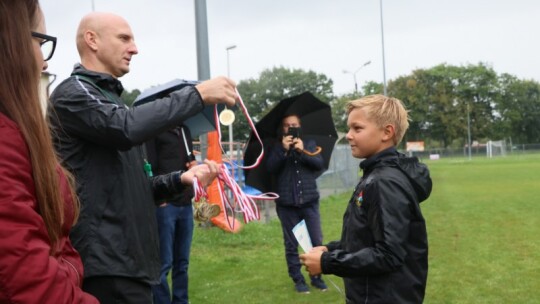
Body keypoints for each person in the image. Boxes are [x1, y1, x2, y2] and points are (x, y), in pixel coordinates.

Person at [48, 11, 237, 303]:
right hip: (104, 266)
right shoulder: (72, 94)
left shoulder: (113, 102)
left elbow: (136, 187)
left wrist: (181, 179)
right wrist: (196, 94)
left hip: (132, 264)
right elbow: (125, 128)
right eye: (124, 38)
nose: (134, 48)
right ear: (92, 40)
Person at [0, 1, 98, 303]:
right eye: (39, 42)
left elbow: (58, 241)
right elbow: (23, 274)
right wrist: (195, 96)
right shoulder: (75, 96)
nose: (44, 62)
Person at [300, 95, 432, 303]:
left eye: (357, 128)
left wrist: (327, 262)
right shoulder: (375, 175)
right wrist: (332, 249)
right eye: (349, 128)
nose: (349, 136)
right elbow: (366, 238)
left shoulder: (385, 182)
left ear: (387, 132)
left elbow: (389, 254)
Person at [266, 114, 328, 294]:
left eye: (294, 124)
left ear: (300, 126)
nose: (290, 127)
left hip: (309, 202)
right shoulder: (276, 146)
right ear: (282, 128)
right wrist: (283, 151)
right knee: (291, 244)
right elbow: (270, 168)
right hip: (287, 204)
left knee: (316, 240)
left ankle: (317, 277)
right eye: (287, 125)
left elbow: (319, 164)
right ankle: (298, 279)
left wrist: (302, 151)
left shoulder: (308, 143)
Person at [145, 124, 198, 304]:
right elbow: (149, 165)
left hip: (185, 202)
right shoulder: (155, 131)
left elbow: (187, 164)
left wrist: (193, 165)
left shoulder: (185, 130)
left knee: (182, 263)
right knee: (163, 263)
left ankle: (181, 301)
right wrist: (160, 200)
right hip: (166, 204)